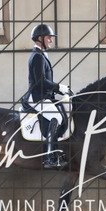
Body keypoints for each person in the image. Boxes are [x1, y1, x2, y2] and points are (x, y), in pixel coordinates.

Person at [22, 24, 70, 169]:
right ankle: (50, 157)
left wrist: (60, 91)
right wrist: (58, 87)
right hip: (37, 97)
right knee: (57, 117)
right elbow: (40, 82)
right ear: (40, 38)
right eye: (49, 38)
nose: (51, 41)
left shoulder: (41, 55)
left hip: (43, 95)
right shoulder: (37, 56)